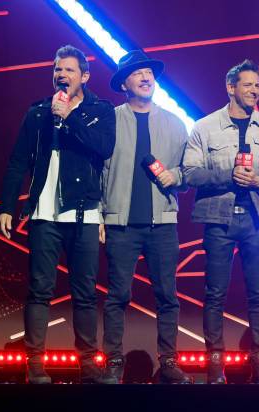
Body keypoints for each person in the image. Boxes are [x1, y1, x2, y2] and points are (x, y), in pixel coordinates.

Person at [0, 45, 115, 384]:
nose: (62, 76)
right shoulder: (37, 112)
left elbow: (104, 148)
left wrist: (70, 117)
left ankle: (89, 364)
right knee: (39, 289)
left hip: (84, 214)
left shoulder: (100, 110)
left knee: (85, 292)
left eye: (69, 70)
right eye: (57, 70)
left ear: (85, 76)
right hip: (44, 214)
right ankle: (34, 363)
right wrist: (7, 206)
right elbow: (18, 160)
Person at [182, 60, 259, 384]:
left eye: (258, 86)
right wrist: (226, 176)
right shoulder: (204, 127)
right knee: (215, 293)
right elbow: (190, 173)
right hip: (219, 219)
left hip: (257, 221)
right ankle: (215, 366)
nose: (255, 91)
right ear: (231, 87)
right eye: (248, 85)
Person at [100, 50, 192, 384]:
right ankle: (113, 362)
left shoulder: (174, 122)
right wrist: (99, 216)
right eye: (137, 73)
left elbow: (190, 168)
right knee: (117, 296)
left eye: (149, 72)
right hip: (120, 224)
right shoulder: (111, 119)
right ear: (124, 83)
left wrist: (176, 177)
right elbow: (99, 171)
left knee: (167, 295)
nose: (145, 77)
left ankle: (168, 362)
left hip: (162, 223)